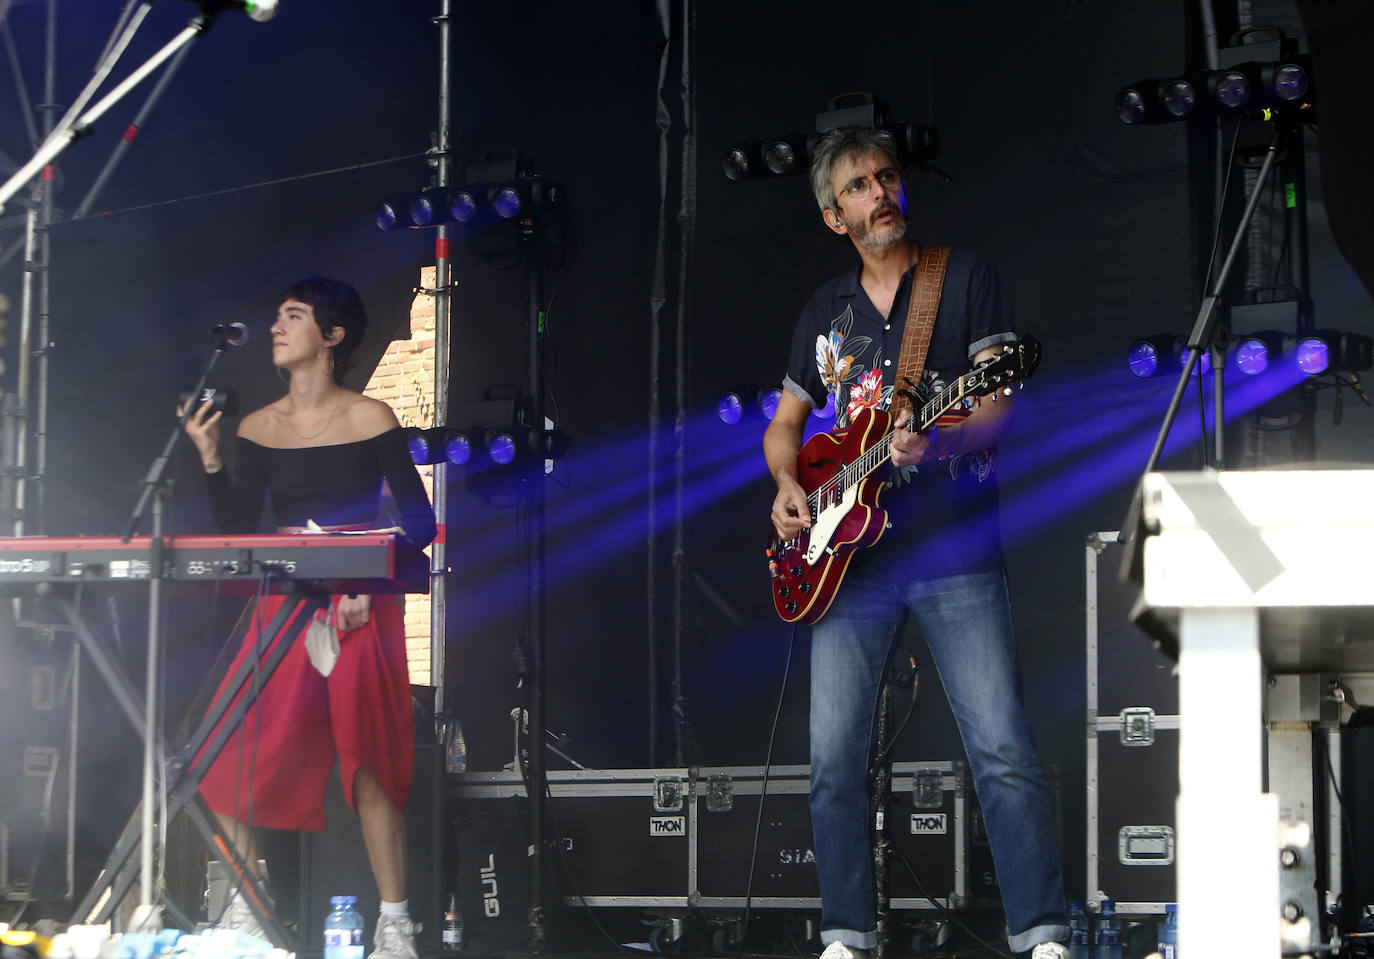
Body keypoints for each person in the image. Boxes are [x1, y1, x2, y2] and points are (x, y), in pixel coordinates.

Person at [762, 127, 1069, 959]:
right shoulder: (823, 312)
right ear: (836, 217)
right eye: (859, 185)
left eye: (887, 176)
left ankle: (1041, 932)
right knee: (832, 759)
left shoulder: (962, 278)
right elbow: (787, 425)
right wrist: (792, 487)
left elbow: (1001, 405)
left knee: (1000, 744)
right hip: (848, 565)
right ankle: (847, 933)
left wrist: (940, 442)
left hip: (953, 549)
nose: (880, 192)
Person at [182, 275, 436, 959]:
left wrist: (363, 577)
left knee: (370, 763)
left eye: (292, 316)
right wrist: (210, 460)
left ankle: (395, 926)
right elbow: (239, 529)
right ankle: (243, 900)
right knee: (237, 748)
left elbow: (420, 522)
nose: (275, 327)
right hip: (286, 601)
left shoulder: (372, 417)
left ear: (332, 336)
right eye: (276, 315)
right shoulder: (257, 426)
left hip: (364, 599)